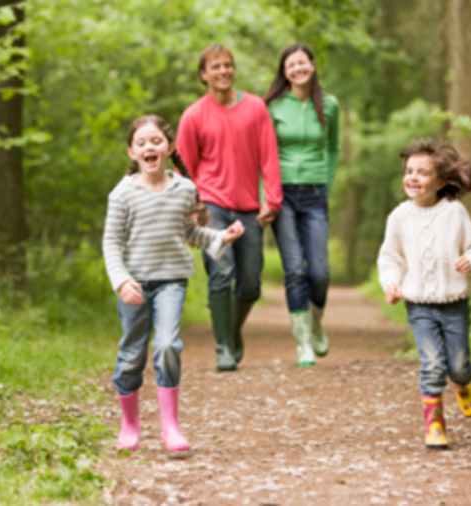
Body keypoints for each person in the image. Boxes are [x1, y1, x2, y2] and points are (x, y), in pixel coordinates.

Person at [103, 115, 245, 452]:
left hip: (172, 281)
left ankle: (170, 426)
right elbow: (111, 242)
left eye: (156, 141)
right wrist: (121, 281)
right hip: (134, 285)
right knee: (131, 356)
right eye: (141, 143)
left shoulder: (184, 188)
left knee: (167, 345)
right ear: (132, 152)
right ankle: (130, 425)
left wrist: (221, 237)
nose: (149, 147)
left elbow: (190, 232)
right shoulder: (122, 194)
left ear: (168, 147)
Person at [177, 44, 283, 372]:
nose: (223, 71)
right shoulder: (194, 115)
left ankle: (232, 331)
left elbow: (269, 155)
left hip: (249, 208)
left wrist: (273, 200)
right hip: (211, 207)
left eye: (228, 65)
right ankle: (223, 346)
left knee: (250, 281)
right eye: (216, 66)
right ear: (203, 75)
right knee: (222, 272)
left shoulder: (255, 108)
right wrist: (191, 211)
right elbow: (183, 168)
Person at [377, 138, 471, 450]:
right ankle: (434, 422)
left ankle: (462, 381)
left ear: (440, 182)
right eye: (409, 171)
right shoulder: (399, 217)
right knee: (432, 364)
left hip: (454, 304)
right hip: (419, 305)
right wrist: (391, 283)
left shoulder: (455, 213)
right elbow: (390, 257)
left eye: (422, 172)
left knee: (457, 365)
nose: (413, 177)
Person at [264, 44, 340, 367]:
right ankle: (303, 343)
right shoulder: (274, 107)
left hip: (315, 194)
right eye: (290, 65)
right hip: (281, 195)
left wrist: (327, 180)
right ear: (284, 72)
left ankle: (316, 322)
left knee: (319, 272)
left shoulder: (331, 105)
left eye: (302, 62)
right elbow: (263, 154)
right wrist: (265, 196)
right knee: (295, 270)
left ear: (312, 65)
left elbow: (333, 147)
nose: (297, 69)